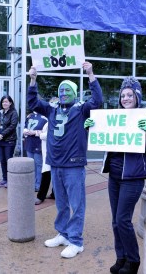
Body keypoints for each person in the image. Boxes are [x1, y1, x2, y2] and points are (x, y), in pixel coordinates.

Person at [84, 77, 146, 274]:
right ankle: (121, 257)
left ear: (137, 96)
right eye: (123, 95)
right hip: (115, 176)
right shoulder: (114, 117)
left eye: (130, 94)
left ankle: (133, 261)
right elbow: (101, 139)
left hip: (133, 178)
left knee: (123, 220)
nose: (126, 98)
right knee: (115, 221)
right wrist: (91, 128)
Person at [28, 61, 102, 258]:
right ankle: (63, 233)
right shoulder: (52, 109)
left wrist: (90, 74)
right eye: (61, 90)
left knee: (77, 204)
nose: (63, 93)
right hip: (56, 163)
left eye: (67, 90)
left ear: (75, 93)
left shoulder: (80, 109)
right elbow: (33, 103)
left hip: (74, 165)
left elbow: (97, 101)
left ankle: (76, 241)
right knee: (61, 203)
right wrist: (33, 80)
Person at [0, 95, 18, 188]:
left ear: (10, 103)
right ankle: (4, 179)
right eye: (3, 102)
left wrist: (2, 134)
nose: (4, 103)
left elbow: (12, 126)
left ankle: (10, 180)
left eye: (6, 101)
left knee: (8, 160)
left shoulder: (14, 113)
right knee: (2, 161)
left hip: (9, 141)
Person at [23, 111, 47, 191]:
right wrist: (25, 131)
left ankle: (38, 184)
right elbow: (25, 126)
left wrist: (35, 132)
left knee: (38, 164)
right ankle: (32, 183)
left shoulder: (45, 117)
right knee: (31, 165)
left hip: (38, 144)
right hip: (29, 143)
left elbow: (46, 131)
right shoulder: (29, 116)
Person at [35, 121, 55, 205]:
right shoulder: (48, 120)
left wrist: (40, 134)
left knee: (46, 174)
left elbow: (50, 135)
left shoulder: (54, 120)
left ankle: (41, 196)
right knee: (51, 174)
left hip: (52, 153)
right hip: (47, 152)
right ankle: (54, 194)